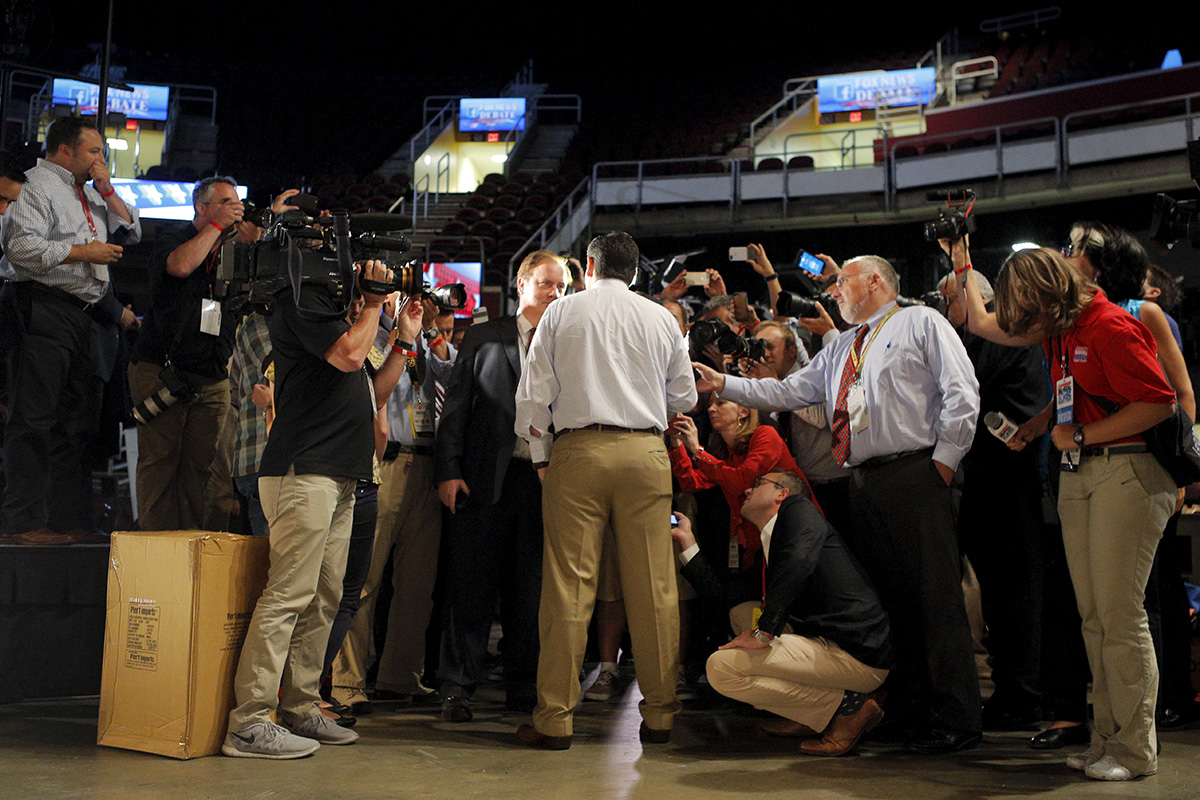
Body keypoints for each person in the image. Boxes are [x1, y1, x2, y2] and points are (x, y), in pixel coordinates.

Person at [694, 254, 983, 754]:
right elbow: (787, 392)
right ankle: (909, 710)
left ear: (874, 281)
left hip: (917, 470)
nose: (835, 292)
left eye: (843, 281)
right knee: (891, 603)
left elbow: (962, 391)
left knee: (935, 599)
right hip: (864, 480)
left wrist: (945, 461)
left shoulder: (920, 320)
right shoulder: (845, 346)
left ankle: (958, 715)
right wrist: (725, 384)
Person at [966, 247, 1176, 781]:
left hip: (1125, 472)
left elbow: (1160, 401)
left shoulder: (1108, 324)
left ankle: (1134, 750)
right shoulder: (1064, 331)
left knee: (1120, 618)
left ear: (1045, 293)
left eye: (1024, 305)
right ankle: (1108, 739)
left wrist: (1079, 434)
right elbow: (1072, 394)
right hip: (1081, 473)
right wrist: (1045, 429)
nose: (1021, 319)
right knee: (1096, 619)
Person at [513, 231, 697, 749]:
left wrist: (543, 458)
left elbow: (532, 400)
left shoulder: (561, 313)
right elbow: (683, 395)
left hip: (578, 453)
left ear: (588, 268)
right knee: (656, 588)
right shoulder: (662, 318)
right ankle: (660, 716)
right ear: (635, 273)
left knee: (569, 589)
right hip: (643, 454)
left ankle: (554, 720)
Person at [223, 259, 393, 759]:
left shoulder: (338, 316)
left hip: (339, 473)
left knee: (324, 596)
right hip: (302, 471)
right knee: (288, 595)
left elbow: (367, 385)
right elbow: (346, 356)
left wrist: (390, 325)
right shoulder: (298, 302)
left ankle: (299, 707)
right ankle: (249, 722)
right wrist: (376, 304)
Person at [434, 250, 568, 722]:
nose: (556, 293)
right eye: (548, 284)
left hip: (541, 483)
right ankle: (456, 687)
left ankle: (523, 689)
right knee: (470, 587)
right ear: (522, 283)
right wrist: (448, 470)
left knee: (529, 592)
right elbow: (456, 409)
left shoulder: (567, 342)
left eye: (563, 287)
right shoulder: (485, 335)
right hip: (482, 480)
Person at [681, 470, 893, 756]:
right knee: (742, 613)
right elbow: (723, 600)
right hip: (828, 644)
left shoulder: (799, 510)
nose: (747, 491)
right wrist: (687, 543)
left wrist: (765, 631)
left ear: (782, 494)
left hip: (857, 653)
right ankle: (814, 713)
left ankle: (848, 710)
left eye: (757, 484)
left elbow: (800, 559)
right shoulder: (772, 547)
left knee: (723, 668)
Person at [0, 117, 141, 541]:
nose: (103, 158)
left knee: (75, 423)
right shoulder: (37, 187)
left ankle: (68, 520)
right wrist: (86, 252)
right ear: (65, 150)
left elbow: (132, 232)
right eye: (95, 151)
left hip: (84, 315)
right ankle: (23, 522)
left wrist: (108, 190)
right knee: (34, 419)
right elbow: (21, 249)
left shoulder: (92, 194)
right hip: (44, 307)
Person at [937, 253, 1050, 732]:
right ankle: (1010, 692)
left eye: (951, 301)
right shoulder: (967, 342)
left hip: (1013, 485)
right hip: (981, 485)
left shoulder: (1008, 338)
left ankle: (1024, 697)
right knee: (999, 601)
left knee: (1016, 595)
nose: (946, 313)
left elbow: (1003, 413)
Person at [330, 291, 454, 713]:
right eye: (397, 292)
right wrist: (397, 332)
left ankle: (402, 675)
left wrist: (430, 329)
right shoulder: (368, 332)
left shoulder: (422, 337)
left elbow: (454, 375)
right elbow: (371, 388)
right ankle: (347, 681)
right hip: (385, 461)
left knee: (418, 583)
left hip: (427, 465)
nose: (407, 300)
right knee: (364, 579)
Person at [127, 176, 247, 530]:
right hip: (162, 371)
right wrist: (215, 226)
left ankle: (192, 547)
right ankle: (155, 550)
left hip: (211, 377)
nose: (235, 209)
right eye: (226, 202)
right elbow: (180, 266)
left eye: (236, 202)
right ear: (202, 207)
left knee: (204, 468)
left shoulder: (233, 253)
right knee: (161, 462)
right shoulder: (173, 237)